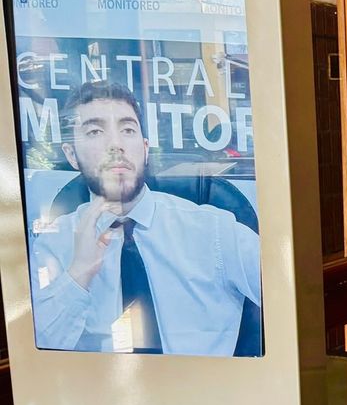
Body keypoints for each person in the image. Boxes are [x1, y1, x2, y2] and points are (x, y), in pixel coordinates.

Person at [30, 80, 261, 356]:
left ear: (145, 148)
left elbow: (291, 294)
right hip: (99, 385)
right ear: (71, 155)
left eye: (127, 130)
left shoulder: (214, 231)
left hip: (205, 382)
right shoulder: (54, 244)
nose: (115, 144)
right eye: (95, 131)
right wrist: (79, 274)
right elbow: (36, 356)